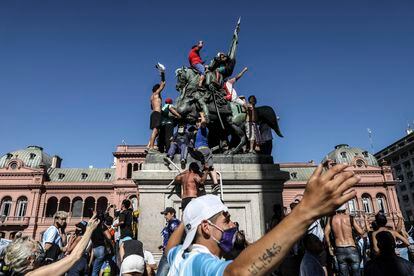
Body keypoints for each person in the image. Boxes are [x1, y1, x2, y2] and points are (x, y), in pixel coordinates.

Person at [166, 163, 361, 276]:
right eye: (226, 220)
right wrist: (306, 211)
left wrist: (189, 216)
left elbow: (170, 248)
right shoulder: (201, 263)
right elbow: (239, 273)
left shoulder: (179, 257)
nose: (233, 225)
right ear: (206, 228)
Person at [4, 215, 99, 276]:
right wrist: (89, 230)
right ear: (30, 259)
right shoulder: (36, 274)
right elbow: (74, 257)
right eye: (36, 252)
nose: (40, 253)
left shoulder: (16, 272)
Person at [324, 204, 365, 276]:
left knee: (343, 274)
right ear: (345, 210)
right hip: (351, 247)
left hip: (339, 249)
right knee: (356, 274)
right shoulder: (350, 218)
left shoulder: (331, 219)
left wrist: (330, 247)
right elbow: (361, 232)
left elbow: (326, 233)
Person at [192, 112, 219, 192]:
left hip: (201, 151)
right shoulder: (201, 130)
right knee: (211, 167)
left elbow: (203, 122)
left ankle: (201, 184)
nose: (198, 123)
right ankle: (215, 183)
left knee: (200, 168)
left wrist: (202, 115)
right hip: (207, 150)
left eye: (199, 121)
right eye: (197, 121)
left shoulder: (202, 128)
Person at [148, 63, 166, 152]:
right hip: (157, 114)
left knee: (157, 131)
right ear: (157, 89)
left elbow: (152, 107)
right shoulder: (156, 94)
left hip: (153, 113)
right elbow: (163, 84)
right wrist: (163, 73)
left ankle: (149, 145)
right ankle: (151, 147)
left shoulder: (151, 97)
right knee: (155, 130)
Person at [157, 207, 181, 276]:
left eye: (166, 214)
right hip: (171, 251)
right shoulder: (171, 223)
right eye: (164, 214)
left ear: (172, 214)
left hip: (169, 252)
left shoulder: (174, 223)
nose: (165, 216)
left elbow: (177, 235)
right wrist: (163, 246)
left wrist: (170, 246)